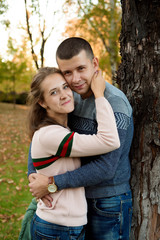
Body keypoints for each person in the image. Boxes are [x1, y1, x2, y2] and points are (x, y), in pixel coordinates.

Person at [28, 37, 134, 240]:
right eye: (67, 73)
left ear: (94, 64)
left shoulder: (115, 103)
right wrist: (33, 173)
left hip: (108, 201)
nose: (75, 79)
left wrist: (51, 182)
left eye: (81, 69)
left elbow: (106, 167)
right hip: (76, 202)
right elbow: (43, 135)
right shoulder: (69, 97)